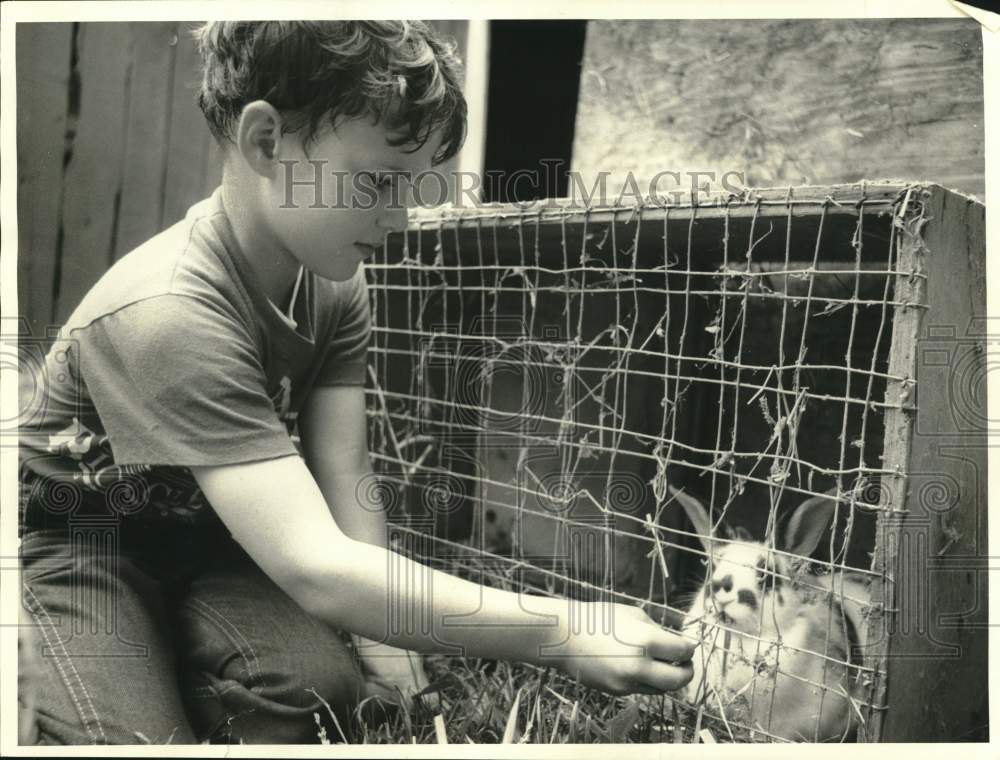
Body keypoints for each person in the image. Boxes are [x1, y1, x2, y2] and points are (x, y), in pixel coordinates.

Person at [17, 20, 695, 745]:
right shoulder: (167, 313)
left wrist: (386, 648)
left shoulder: (334, 281)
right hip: (83, 542)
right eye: (377, 182)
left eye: (411, 186)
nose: (399, 217)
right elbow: (316, 568)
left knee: (319, 691)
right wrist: (561, 630)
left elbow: (345, 472)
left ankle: (168, 663)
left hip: (209, 538)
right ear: (267, 142)